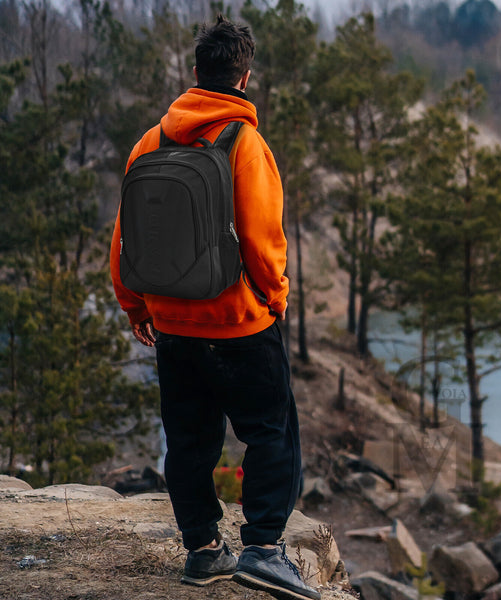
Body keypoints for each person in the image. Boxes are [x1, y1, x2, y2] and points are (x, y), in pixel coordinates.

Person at [110, 14, 320, 600]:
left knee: (190, 440)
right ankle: (263, 549)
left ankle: (203, 550)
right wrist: (272, 300)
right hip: (239, 324)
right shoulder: (244, 144)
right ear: (244, 77)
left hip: (172, 322)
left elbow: (125, 240)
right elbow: (261, 240)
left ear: (195, 72)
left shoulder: (149, 143)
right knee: (272, 431)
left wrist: (137, 308)